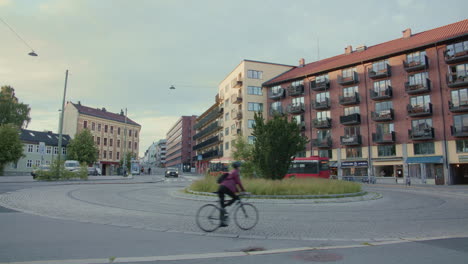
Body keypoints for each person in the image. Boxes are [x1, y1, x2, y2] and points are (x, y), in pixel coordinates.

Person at [217, 161, 246, 227]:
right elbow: (238, 182)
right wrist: (243, 191)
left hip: (221, 188)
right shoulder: (235, 172)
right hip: (225, 188)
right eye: (240, 166)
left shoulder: (232, 172)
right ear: (238, 167)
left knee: (222, 206)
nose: (240, 167)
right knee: (236, 198)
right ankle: (227, 206)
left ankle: (221, 222)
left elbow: (233, 184)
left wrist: (239, 191)